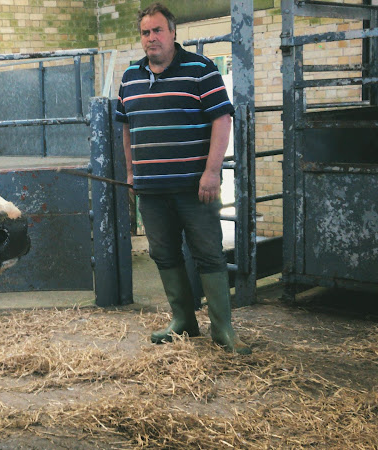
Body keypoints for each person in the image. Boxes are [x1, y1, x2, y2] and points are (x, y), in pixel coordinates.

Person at [115, 3, 250, 354]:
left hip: (195, 186)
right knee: (163, 253)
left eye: (158, 30)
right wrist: (131, 172)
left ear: (173, 32)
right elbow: (127, 128)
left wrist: (212, 171)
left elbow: (223, 120)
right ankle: (184, 320)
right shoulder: (130, 77)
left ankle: (223, 329)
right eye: (145, 32)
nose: (151, 38)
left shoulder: (201, 70)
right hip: (152, 188)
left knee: (208, 253)